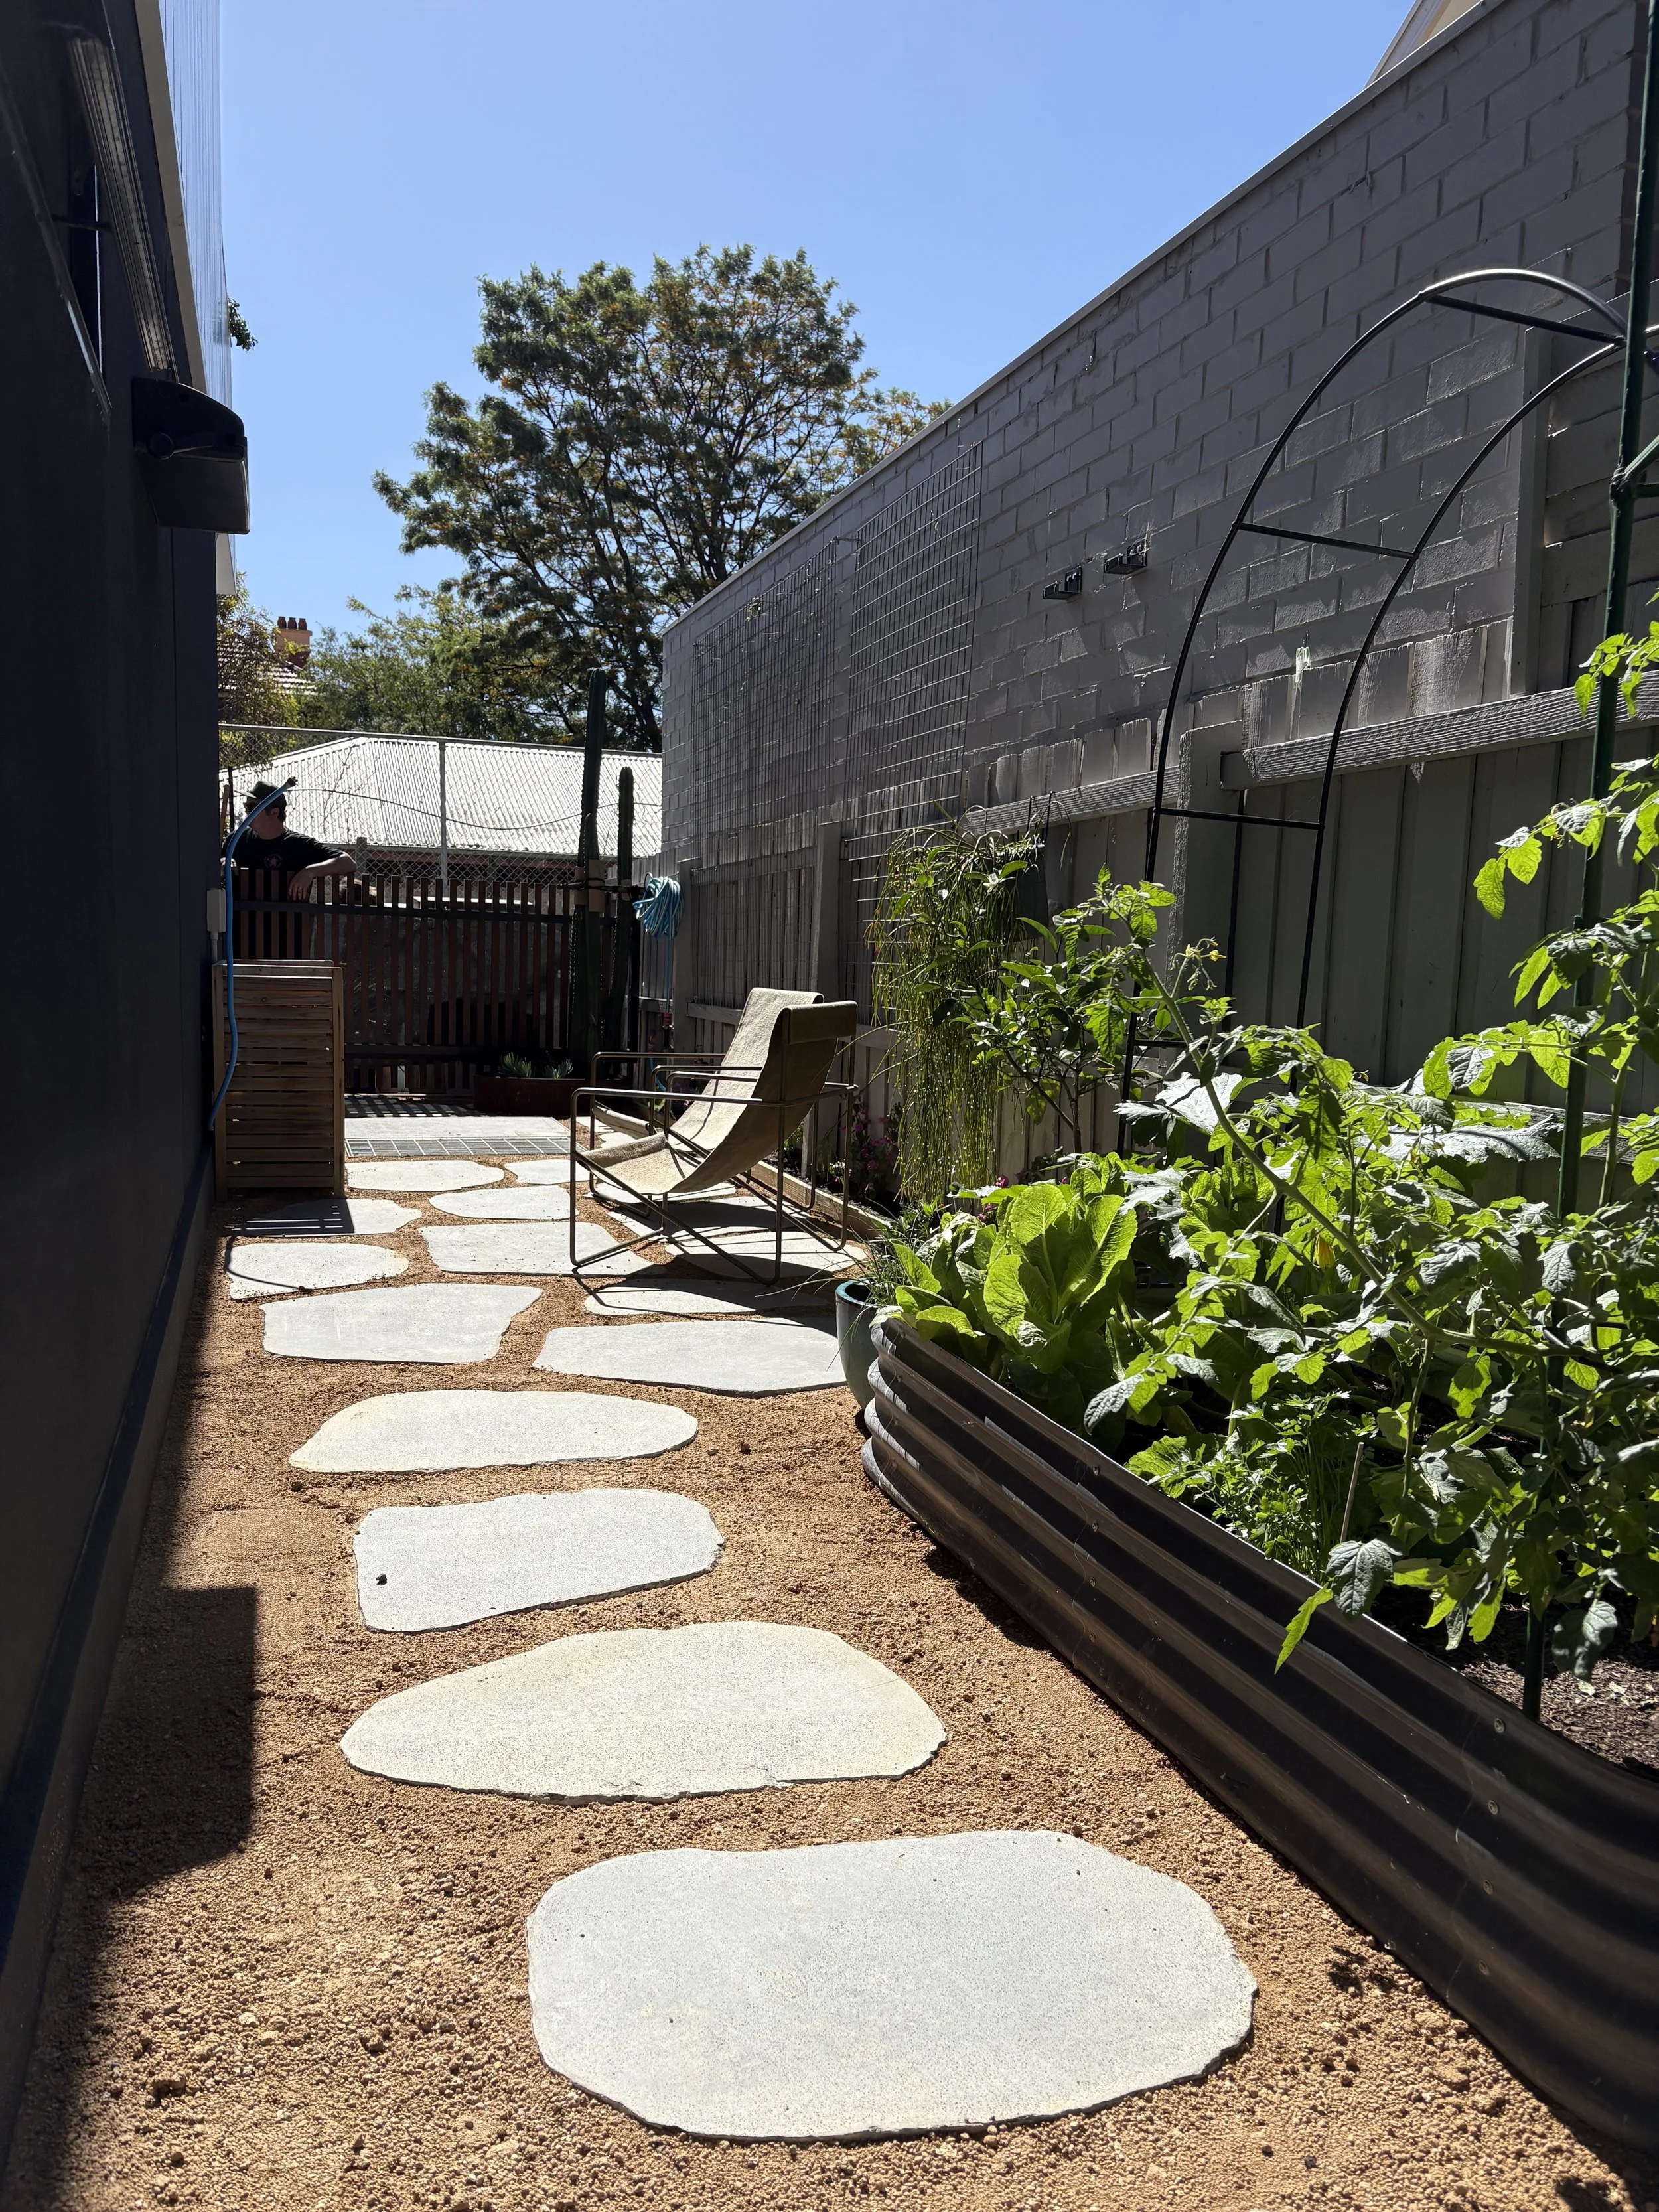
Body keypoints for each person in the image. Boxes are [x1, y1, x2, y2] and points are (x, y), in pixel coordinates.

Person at [234, 782, 355, 897]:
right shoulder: (237, 839)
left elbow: (348, 863)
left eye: (252, 807)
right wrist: (223, 862)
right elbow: (220, 862)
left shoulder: (300, 845)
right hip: (238, 918)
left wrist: (310, 872)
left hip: (285, 918)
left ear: (274, 812)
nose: (247, 811)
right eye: (246, 806)